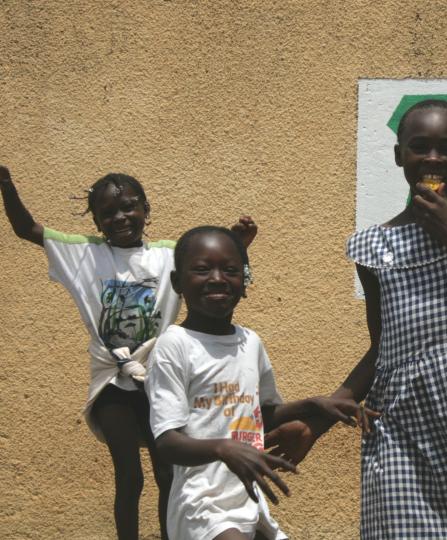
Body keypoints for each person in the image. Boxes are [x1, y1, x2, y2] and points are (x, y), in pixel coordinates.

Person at [266, 99, 447, 538]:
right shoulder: (373, 248)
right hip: (402, 426)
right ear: (399, 154)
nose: (434, 159)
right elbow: (384, 350)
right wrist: (319, 420)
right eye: (420, 146)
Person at [0, 166, 257, 540]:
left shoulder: (170, 254)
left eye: (129, 207)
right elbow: (27, 230)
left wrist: (238, 241)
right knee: (129, 476)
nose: (120, 217)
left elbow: (208, 263)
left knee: (167, 469)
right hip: (112, 381)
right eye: (108, 213)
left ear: (146, 209)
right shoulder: (84, 254)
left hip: (160, 378)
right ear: (98, 221)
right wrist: (6, 186)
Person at [147, 226, 366, 540]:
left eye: (231, 270)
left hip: (248, 499)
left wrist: (312, 405)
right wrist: (224, 448)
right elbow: (167, 443)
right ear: (177, 283)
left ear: (244, 283)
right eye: (202, 269)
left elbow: (259, 415)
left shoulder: (250, 343)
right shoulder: (174, 345)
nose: (218, 278)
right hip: (201, 504)